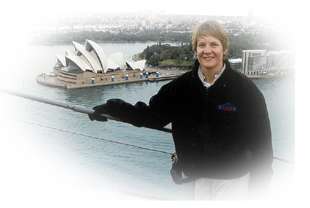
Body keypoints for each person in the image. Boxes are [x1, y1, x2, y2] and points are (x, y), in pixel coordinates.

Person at [88, 20, 273, 200]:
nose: (207, 50)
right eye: (201, 45)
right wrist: (112, 108)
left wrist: (261, 185)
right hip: (192, 177)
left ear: (224, 50)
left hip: (233, 181)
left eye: (214, 44)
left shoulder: (246, 90)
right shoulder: (180, 87)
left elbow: (261, 141)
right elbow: (151, 116)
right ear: (195, 50)